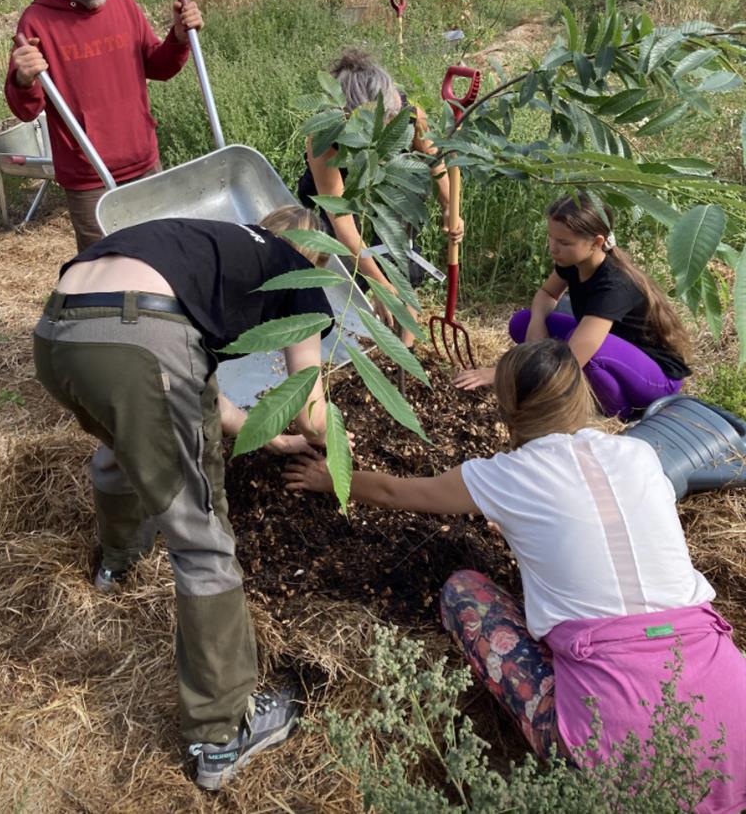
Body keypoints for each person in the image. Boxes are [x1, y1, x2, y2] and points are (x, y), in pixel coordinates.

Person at [284, 340, 745, 814]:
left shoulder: (504, 475)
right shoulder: (640, 454)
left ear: (505, 408)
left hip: (609, 744)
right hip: (729, 707)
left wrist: (331, 478)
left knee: (463, 592)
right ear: (580, 396)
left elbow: (394, 491)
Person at [33, 205, 336, 791]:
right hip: (140, 344)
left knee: (128, 445)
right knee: (201, 532)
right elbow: (314, 411)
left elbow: (194, 386)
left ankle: (117, 563)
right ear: (312, 258)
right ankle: (221, 736)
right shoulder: (298, 273)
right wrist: (337, 448)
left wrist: (263, 432)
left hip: (59, 333)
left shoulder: (218, 248)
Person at [5, 0, 203, 251]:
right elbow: (27, 110)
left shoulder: (122, 3)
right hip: (88, 177)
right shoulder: (37, 22)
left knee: (162, 252)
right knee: (107, 265)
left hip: (144, 162)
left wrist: (179, 38)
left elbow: (158, 66)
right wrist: (23, 79)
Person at [453, 192, 691, 418]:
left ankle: (622, 413)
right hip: (613, 351)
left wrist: (500, 374)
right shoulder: (572, 261)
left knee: (587, 351)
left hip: (654, 378)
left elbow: (573, 359)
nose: (553, 248)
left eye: (564, 242)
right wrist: (537, 324)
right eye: (551, 237)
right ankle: (587, 388)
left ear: (596, 242)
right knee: (522, 322)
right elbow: (546, 294)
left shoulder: (614, 286)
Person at [297, 48, 464, 330]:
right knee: (341, 273)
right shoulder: (324, 138)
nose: (384, 133)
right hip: (342, 202)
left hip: (389, 192)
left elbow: (435, 164)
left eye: (389, 121)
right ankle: (344, 332)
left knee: (399, 263)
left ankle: (404, 351)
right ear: (347, 118)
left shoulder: (408, 113)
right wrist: (380, 285)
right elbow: (343, 224)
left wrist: (449, 207)